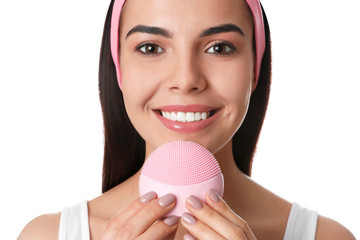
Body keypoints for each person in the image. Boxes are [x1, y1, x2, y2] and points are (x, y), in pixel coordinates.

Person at [18, 0, 355, 239]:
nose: (186, 78)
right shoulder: (48, 236)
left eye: (219, 47)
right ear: (118, 68)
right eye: (151, 48)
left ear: (255, 67)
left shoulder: (324, 237)